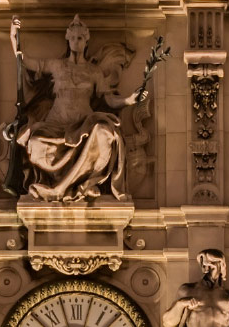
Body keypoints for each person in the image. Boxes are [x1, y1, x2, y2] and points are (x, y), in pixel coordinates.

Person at [10, 15, 146, 202]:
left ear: (86, 40)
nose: (76, 42)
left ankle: (66, 188)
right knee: (35, 143)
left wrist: (129, 100)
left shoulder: (94, 71)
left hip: (84, 124)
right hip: (56, 123)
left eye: (80, 38)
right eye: (73, 38)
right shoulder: (57, 66)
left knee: (105, 132)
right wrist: (13, 37)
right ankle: (68, 187)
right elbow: (25, 61)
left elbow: (109, 100)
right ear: (68, 39)